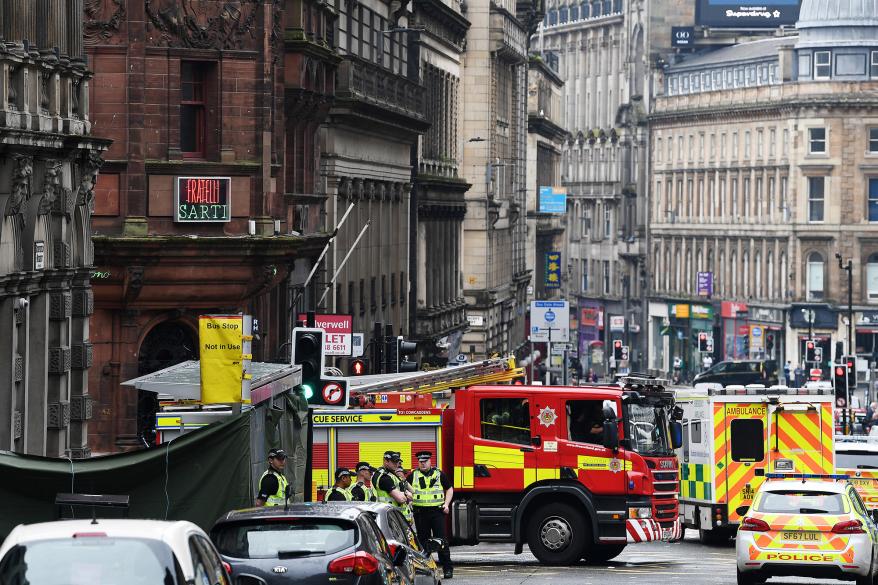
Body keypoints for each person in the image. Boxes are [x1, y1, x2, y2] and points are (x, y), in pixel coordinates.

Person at [408, 451, 454, 579]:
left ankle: (447, 569)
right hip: (420, 513)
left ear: (430, 461)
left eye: (425, 461)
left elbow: (449, 488)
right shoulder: (413, 475)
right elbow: (405, 489)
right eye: (420, 462)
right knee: (423, 543)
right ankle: (425, 569)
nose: (423, 463)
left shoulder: (439, 474)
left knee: (441, 540)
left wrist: (446, 504)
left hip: (436, 512)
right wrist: (410, 500)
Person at [373, 450, 414, 524]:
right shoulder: (384, 477)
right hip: (392, 518)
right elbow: (401, 499)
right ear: (386, 461)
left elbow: (413, 491)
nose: (396, 464)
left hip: (397, 517)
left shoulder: (392, 474)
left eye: (397, 462)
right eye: (393, 462)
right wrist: (406, 494)